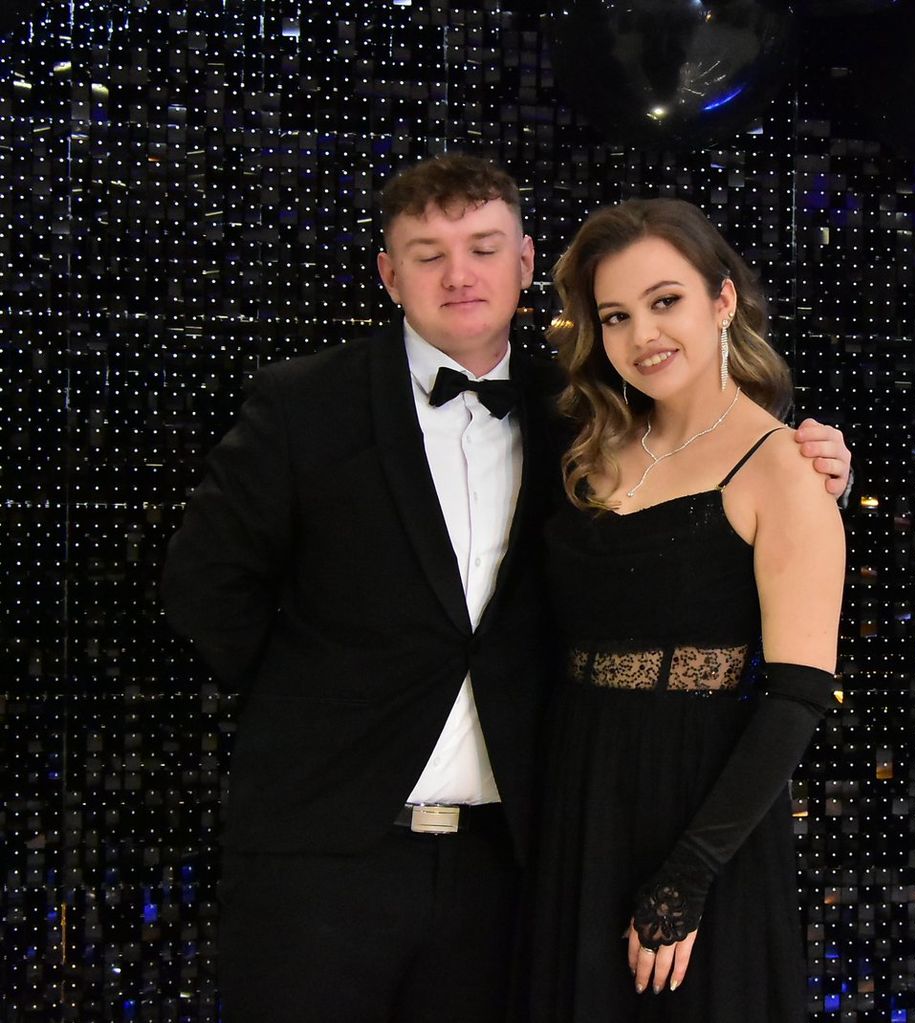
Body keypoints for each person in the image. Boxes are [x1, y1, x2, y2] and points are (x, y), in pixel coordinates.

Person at [159, 155, 851, 1023]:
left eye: (484, 248)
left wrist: (818, 474)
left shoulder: (582, 416)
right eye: (428, 254)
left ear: (524, 263)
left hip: (513, 856)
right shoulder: (304, 403)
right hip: (323, 852)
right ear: (389, 274)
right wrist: (311, 699)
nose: (460, 275)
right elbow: (203, 586)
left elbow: (699, 522)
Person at [528, 198, 846, 1022]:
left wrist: (689, 874)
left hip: (700, 810)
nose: (643, 335)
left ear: (723, 299)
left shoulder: (784, 468)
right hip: (578, 794)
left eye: (665, 300)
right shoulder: (588, 446)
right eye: (616, 316)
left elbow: (798, 696)